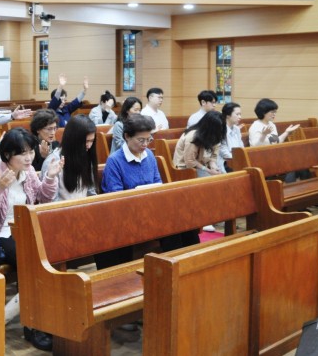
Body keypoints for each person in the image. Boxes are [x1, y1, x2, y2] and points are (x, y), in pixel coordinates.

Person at [0, 127, 59, 351]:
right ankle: (29, 325)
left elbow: (42, 197)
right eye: (23, 153)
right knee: (34, 266)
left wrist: (49, 177)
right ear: (9, 154)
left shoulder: (28, 172)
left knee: (52, 260)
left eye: (31, 151)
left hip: (24, 230)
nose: (29, 157)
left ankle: (33, 320)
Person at [98, 114, 198, 272]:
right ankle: (175, 268)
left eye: (148, 139)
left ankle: (191, 263)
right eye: (141, 140)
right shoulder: (115, 161)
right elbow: (115, 197)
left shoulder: (149, 156)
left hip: (152, 210)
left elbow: (158, 183)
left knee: (185, 220)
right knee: (170, 225)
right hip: (127, 214)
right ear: (127, 137)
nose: (145, 144)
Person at [41, 114, 97, 200]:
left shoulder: (86, 155)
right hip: (62, 211)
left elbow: (91, 192)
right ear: (73, 140)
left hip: (84, 210)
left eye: (92, 141)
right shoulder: (53, 162)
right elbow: (50, 202)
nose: (89, 146)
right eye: (86, 141)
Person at [173, 110, 225, 177]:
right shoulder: (192, 137)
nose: (219, 132)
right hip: (185, 169)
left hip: (201, 166)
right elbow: (190, 161)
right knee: (214, 182)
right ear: (209, 128)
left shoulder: (215, 135)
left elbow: (214, 155)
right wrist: (208, 170)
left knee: (223, 177)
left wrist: (213, 165)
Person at [218, 102, 244, 172]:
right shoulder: (221, 129)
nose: (240, 117)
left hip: (236, 160)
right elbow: (223, 151)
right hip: (225, 162)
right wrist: (237, 159)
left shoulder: (236, 128)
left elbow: (240, 145)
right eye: (237, 114)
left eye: (240, 114)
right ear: (227, 115)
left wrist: (242, 157)